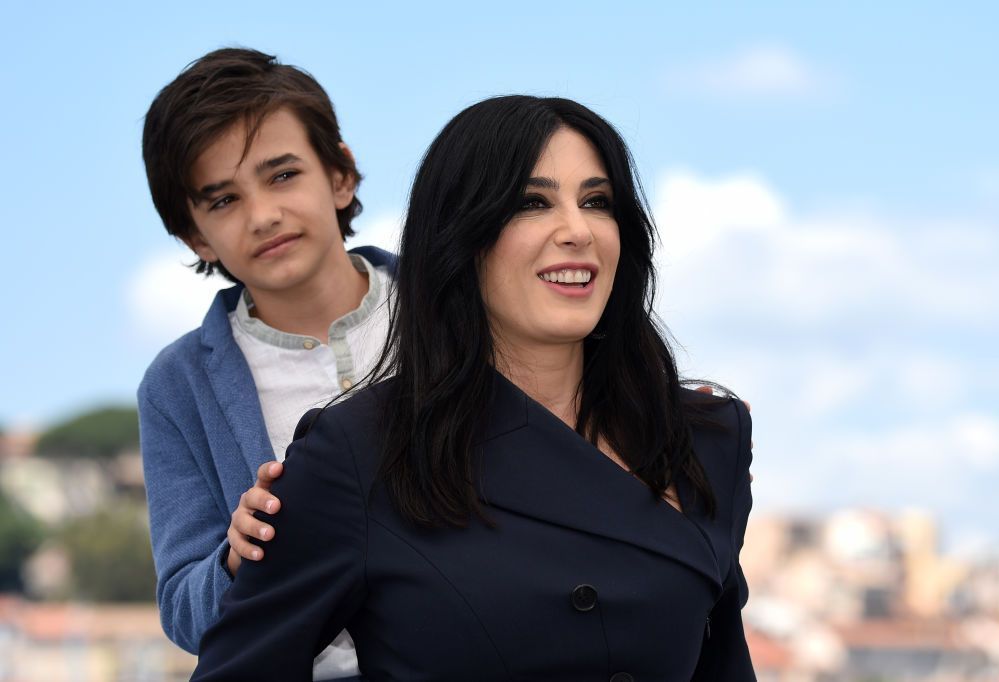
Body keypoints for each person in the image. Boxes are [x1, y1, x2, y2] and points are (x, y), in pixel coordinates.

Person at [192, 95, 756, 681]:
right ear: (462, 239)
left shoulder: (707, 438)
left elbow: (724, 665)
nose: (577, 230)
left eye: (597, 201)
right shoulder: (360, 453)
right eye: (533, 203)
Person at [137, 47, 394, 680]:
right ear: (195, 235)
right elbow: (184, 612)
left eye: (282, 175)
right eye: (222, 201)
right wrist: (236, 555)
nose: (262, 215)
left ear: (341, 175)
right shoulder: (177, 387)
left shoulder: (461, 309)